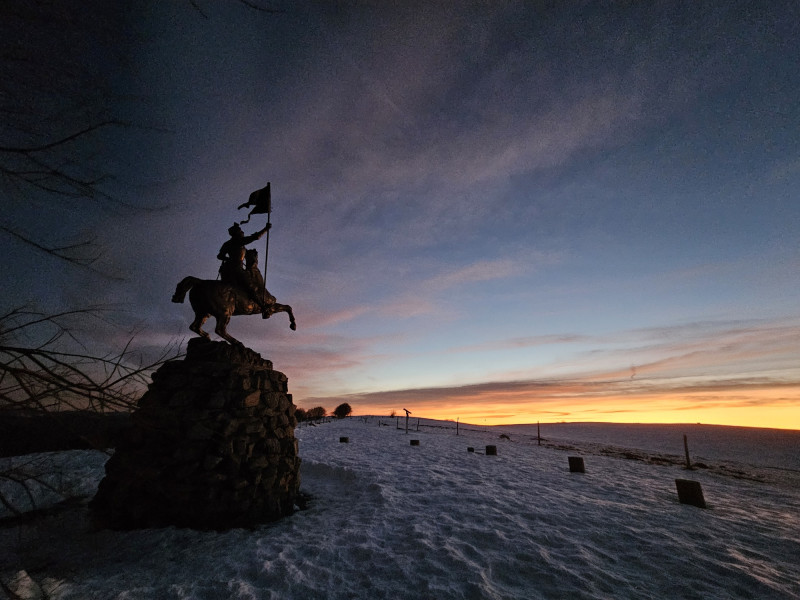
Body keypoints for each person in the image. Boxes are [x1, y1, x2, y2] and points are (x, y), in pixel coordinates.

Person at [217, 222, 271, 317]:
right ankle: (263, 307)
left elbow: (220, 256)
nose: (242, 232)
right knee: (251, 287)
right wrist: (266, 229)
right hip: (236, 269)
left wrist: (228, 259)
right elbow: (256, 237)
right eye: (241, 231)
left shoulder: (227, 244)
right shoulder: (238, 241)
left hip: (226, 269)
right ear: (237, 233)